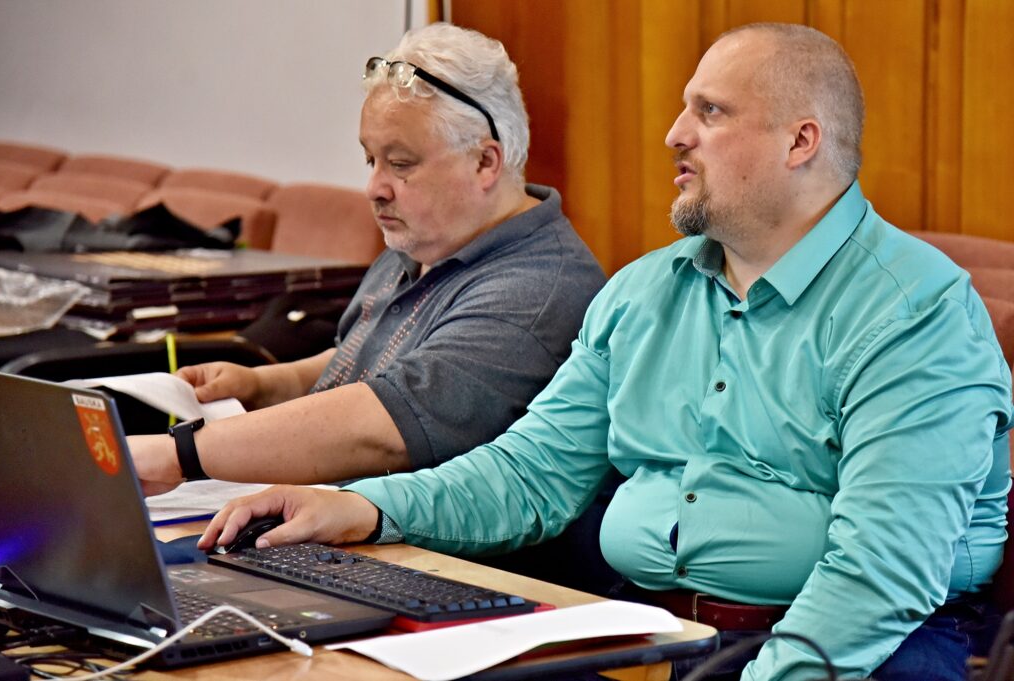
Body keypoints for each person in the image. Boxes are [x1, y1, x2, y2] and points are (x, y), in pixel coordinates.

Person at [199, 22, 1013, 681]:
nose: (674, 134)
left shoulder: (914, 311)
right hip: (653, 631)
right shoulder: (644, 291)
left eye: (710, 112)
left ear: (800, 142)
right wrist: (367, 507)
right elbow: (531, 472)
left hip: (863, 647)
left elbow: (881, 572)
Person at [128, 23, 605, 497]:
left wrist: (180, 455)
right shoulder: (426, 239)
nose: (374, 188)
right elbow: (364, 360)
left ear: (485, 162)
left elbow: (380, 426)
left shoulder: (534, 291)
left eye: (400, 164)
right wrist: (263, 384)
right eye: (370, 161)